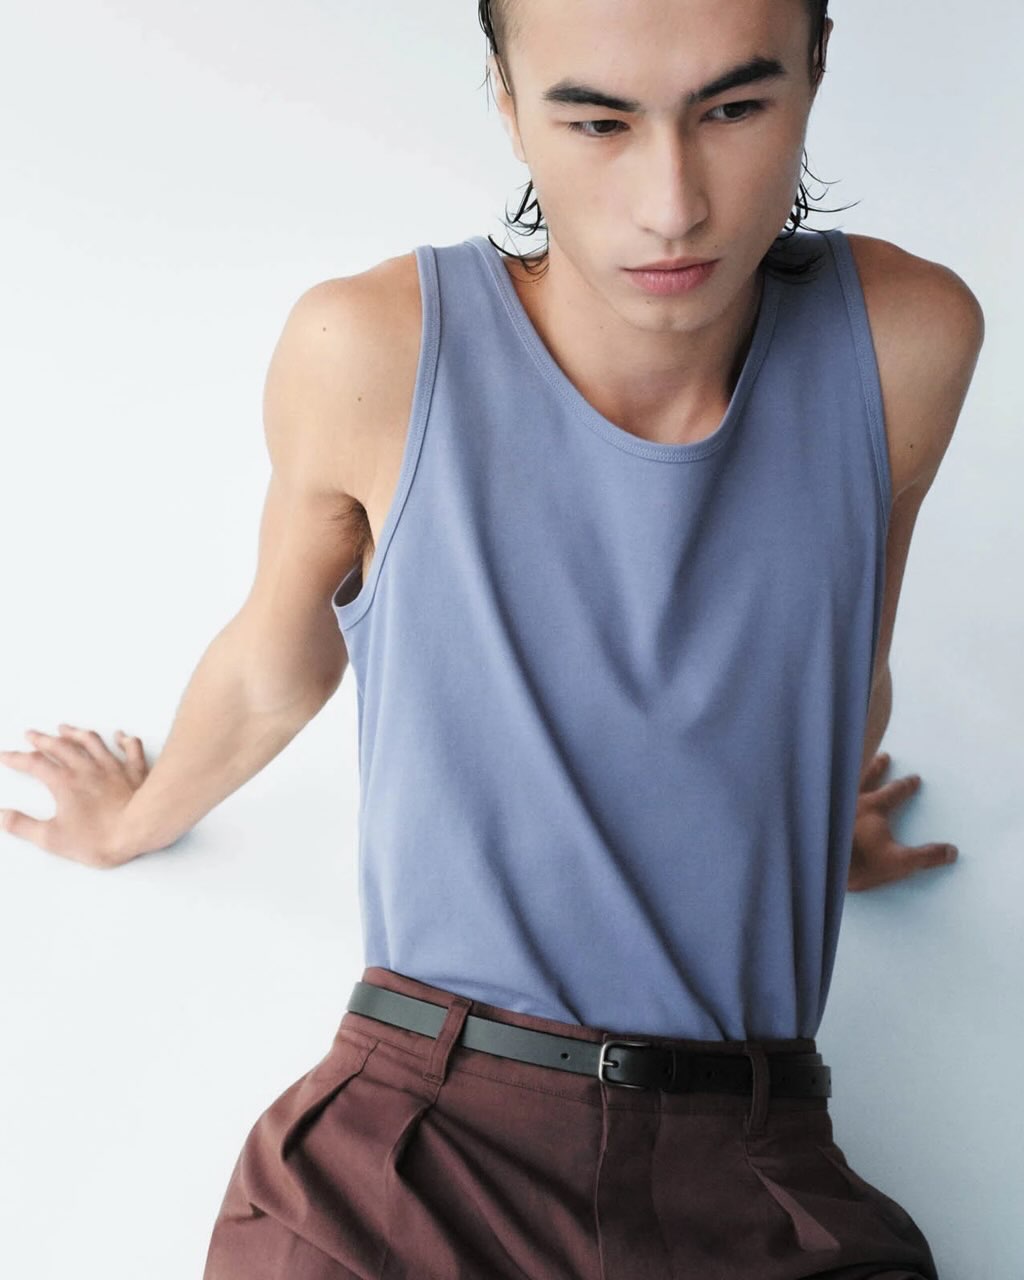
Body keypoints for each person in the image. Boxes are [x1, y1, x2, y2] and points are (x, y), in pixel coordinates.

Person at [0, 1, 984, 1276]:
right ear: (509, 104)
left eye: (734, 108)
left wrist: (792, 827)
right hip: (416, 1153)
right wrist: (130, 820)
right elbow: (276, 661)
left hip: (758, 1166)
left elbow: (843, 643)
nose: (672, 203)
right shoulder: (373, 347)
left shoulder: (905, 338)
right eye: (598, 122)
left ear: (815, 70)